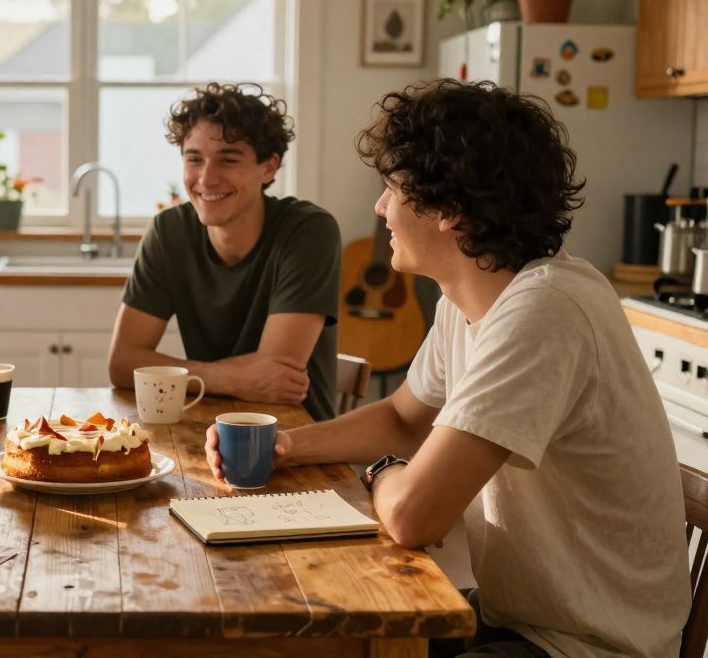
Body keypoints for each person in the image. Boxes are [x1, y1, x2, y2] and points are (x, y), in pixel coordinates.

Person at [206, 79, 689, 657]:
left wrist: (381, 471)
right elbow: (404, 417)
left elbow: (413, 517)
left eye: (392, 189)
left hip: (587, 644)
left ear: (448, 209)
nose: (380, 208)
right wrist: (286, 445)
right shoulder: (468, 298)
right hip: (524, 615)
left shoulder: (544, 310)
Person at [108, 82, 341, 420]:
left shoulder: (309, 231)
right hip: (205, 426)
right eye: (194, 159)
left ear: (269, 167)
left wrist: (174, 373)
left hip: (296, 435)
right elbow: (123, 363)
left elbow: (277, 370)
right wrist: (234, 378)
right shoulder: (169, 231)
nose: (206, 178)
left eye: (228, 159)